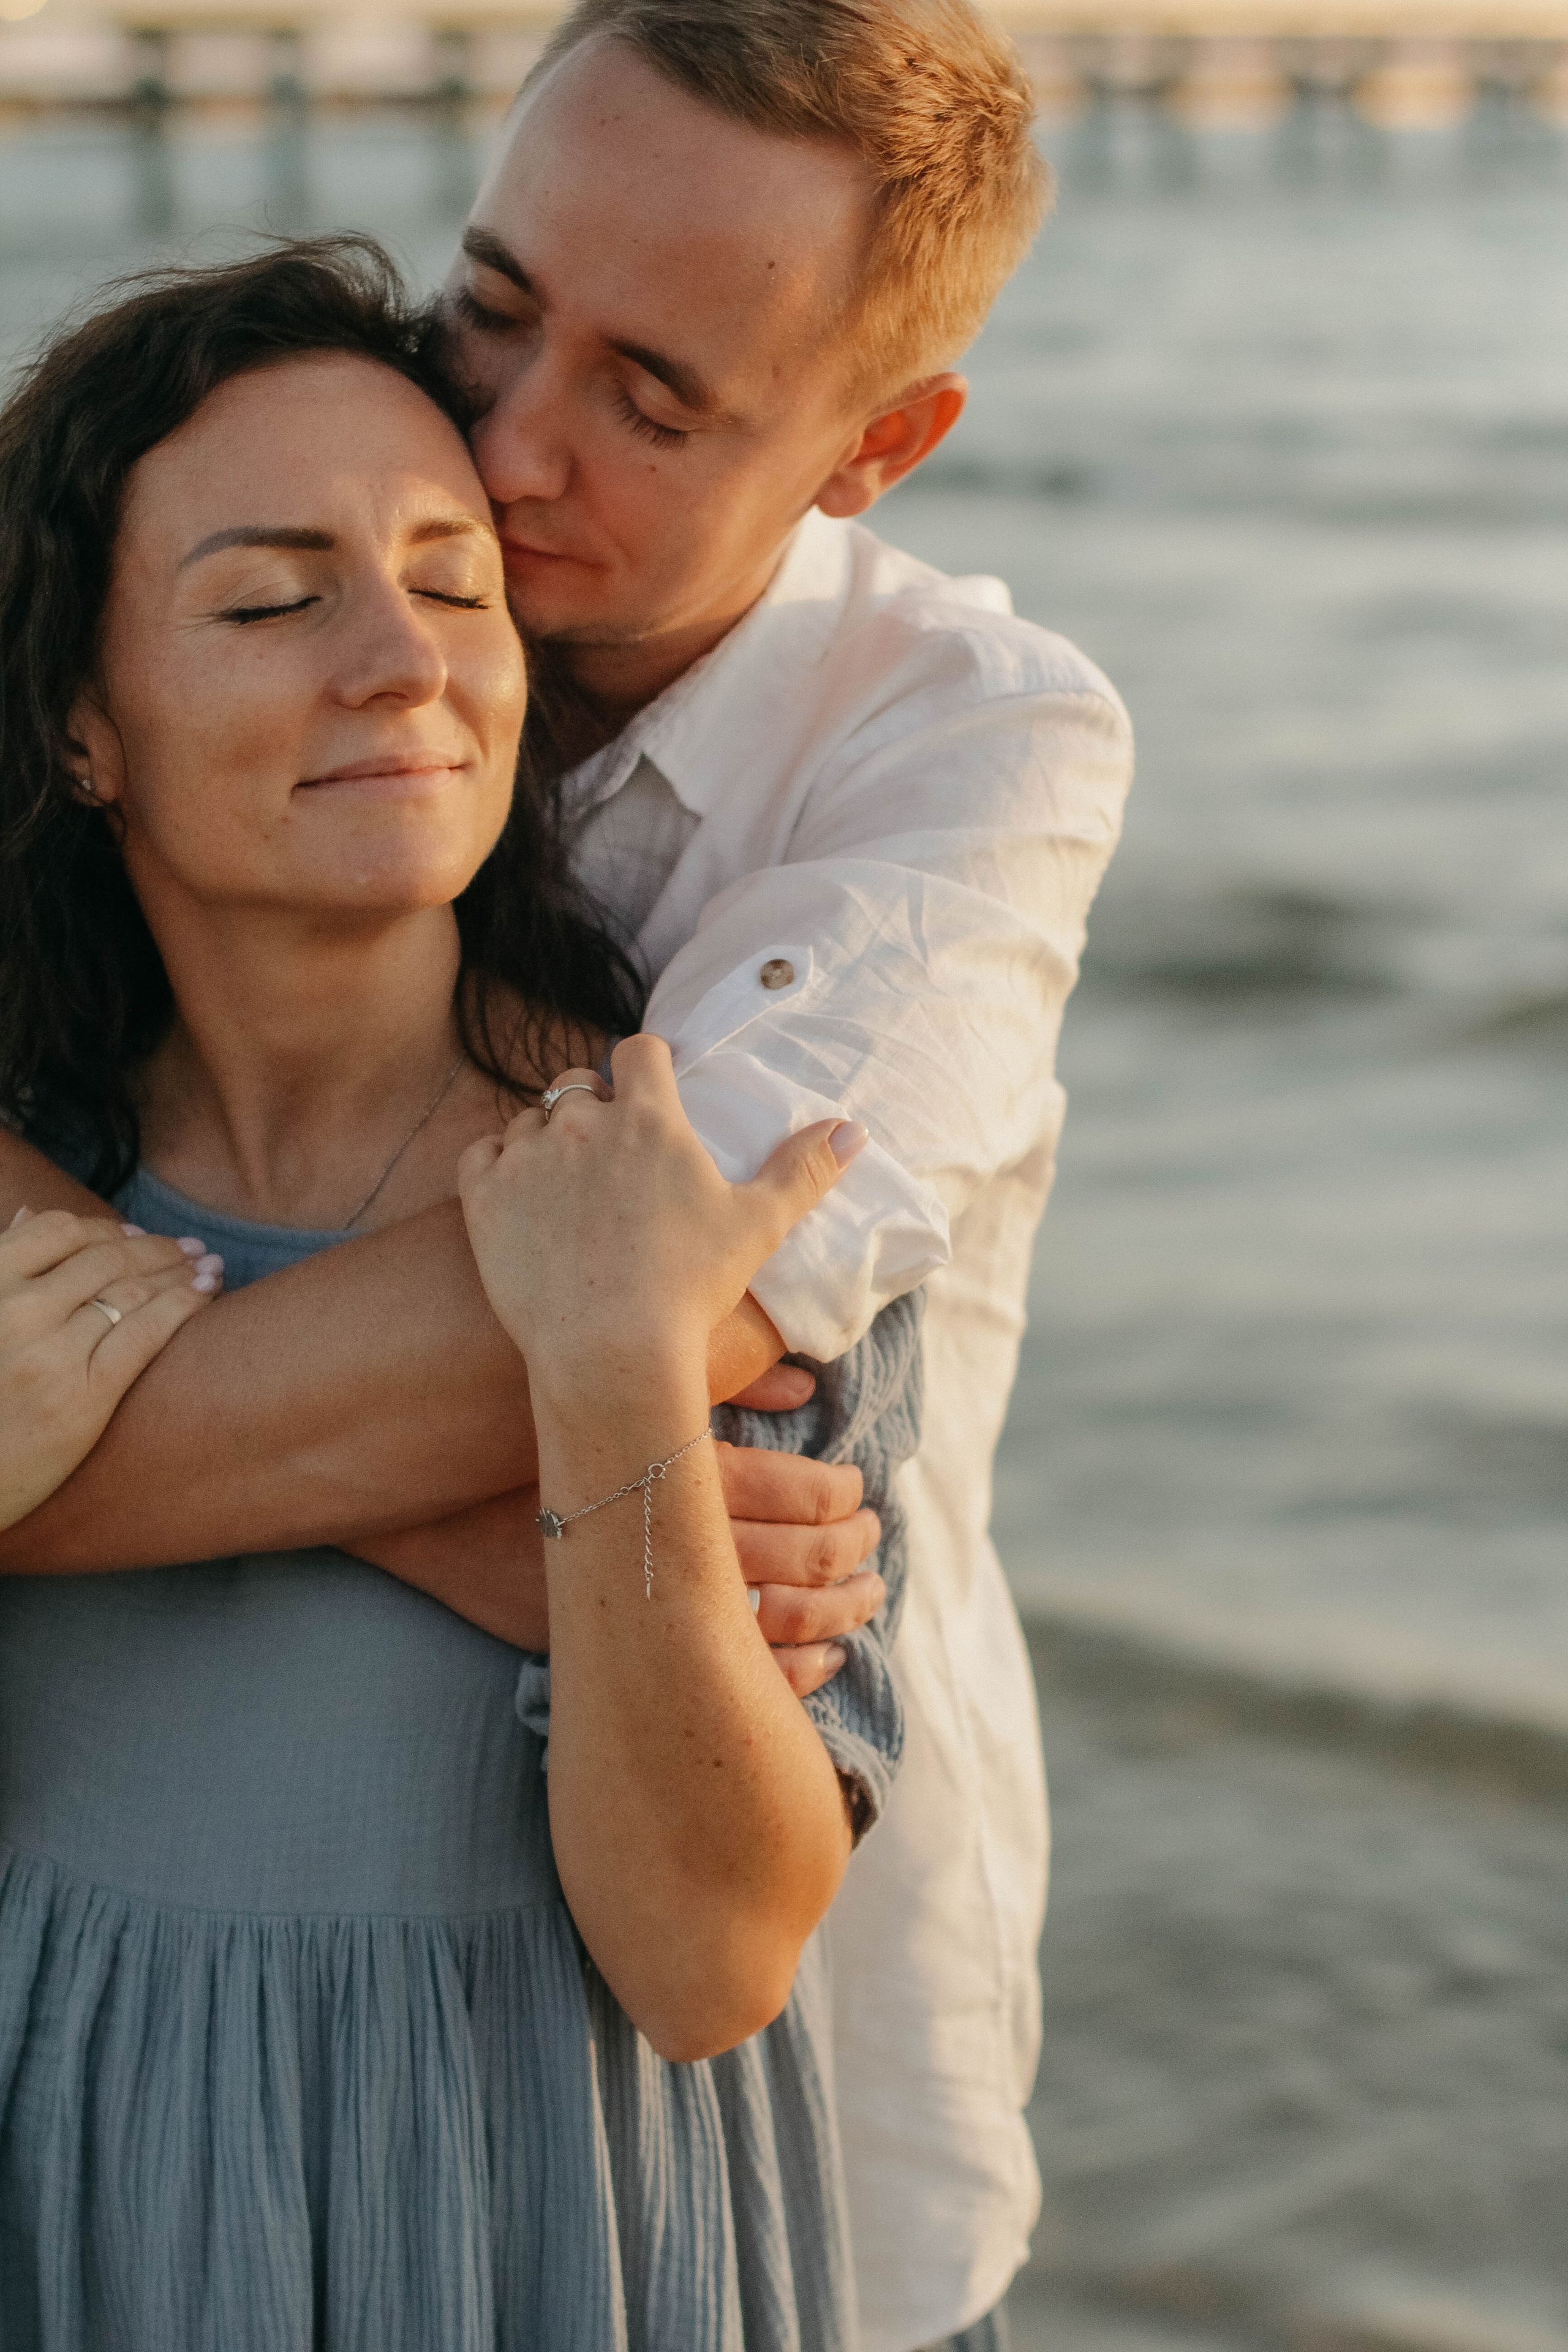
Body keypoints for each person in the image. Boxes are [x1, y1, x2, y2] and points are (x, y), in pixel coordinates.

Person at [0, 6, 1135, 2344]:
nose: (507, 454)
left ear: (876, 447)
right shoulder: (184, 715)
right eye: (495, 303)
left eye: (652, 395)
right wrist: (581, 1523)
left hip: (724, 2071)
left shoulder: (962, 756)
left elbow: (673, 1284)